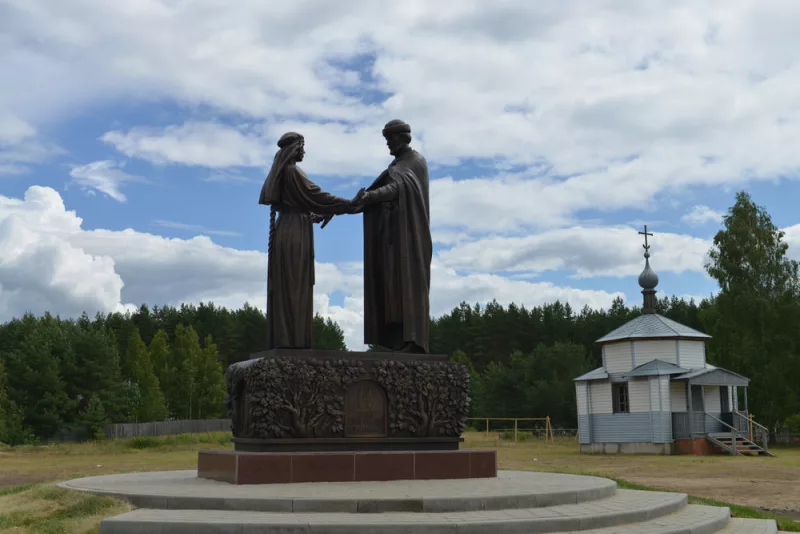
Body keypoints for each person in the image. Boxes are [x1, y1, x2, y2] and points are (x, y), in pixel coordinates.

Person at [259, 132, 354, 349]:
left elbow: (301, 205)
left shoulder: (284, 172)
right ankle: (294, 342)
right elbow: (318, 196)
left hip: (288, 226)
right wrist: (348, 204)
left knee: (290, 285)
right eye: (302, 146)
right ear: (293, 148)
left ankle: (288, 338)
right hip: (295, 233)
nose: (304, 151)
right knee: (295, 286)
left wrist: (319, 214)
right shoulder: (292, 171)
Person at [352, 120, 432, 353]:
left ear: (404, 138)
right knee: (392, 288)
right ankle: (398, 339)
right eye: (386, 140)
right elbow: (368, 198)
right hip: (392, 237)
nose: (388, 145)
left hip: (409, 237)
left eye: (391, 139)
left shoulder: (415, 162)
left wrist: (369, 197)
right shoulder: (396, 164)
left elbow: (398, 188)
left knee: (409, 285)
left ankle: (415, 342)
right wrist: (333, 210)